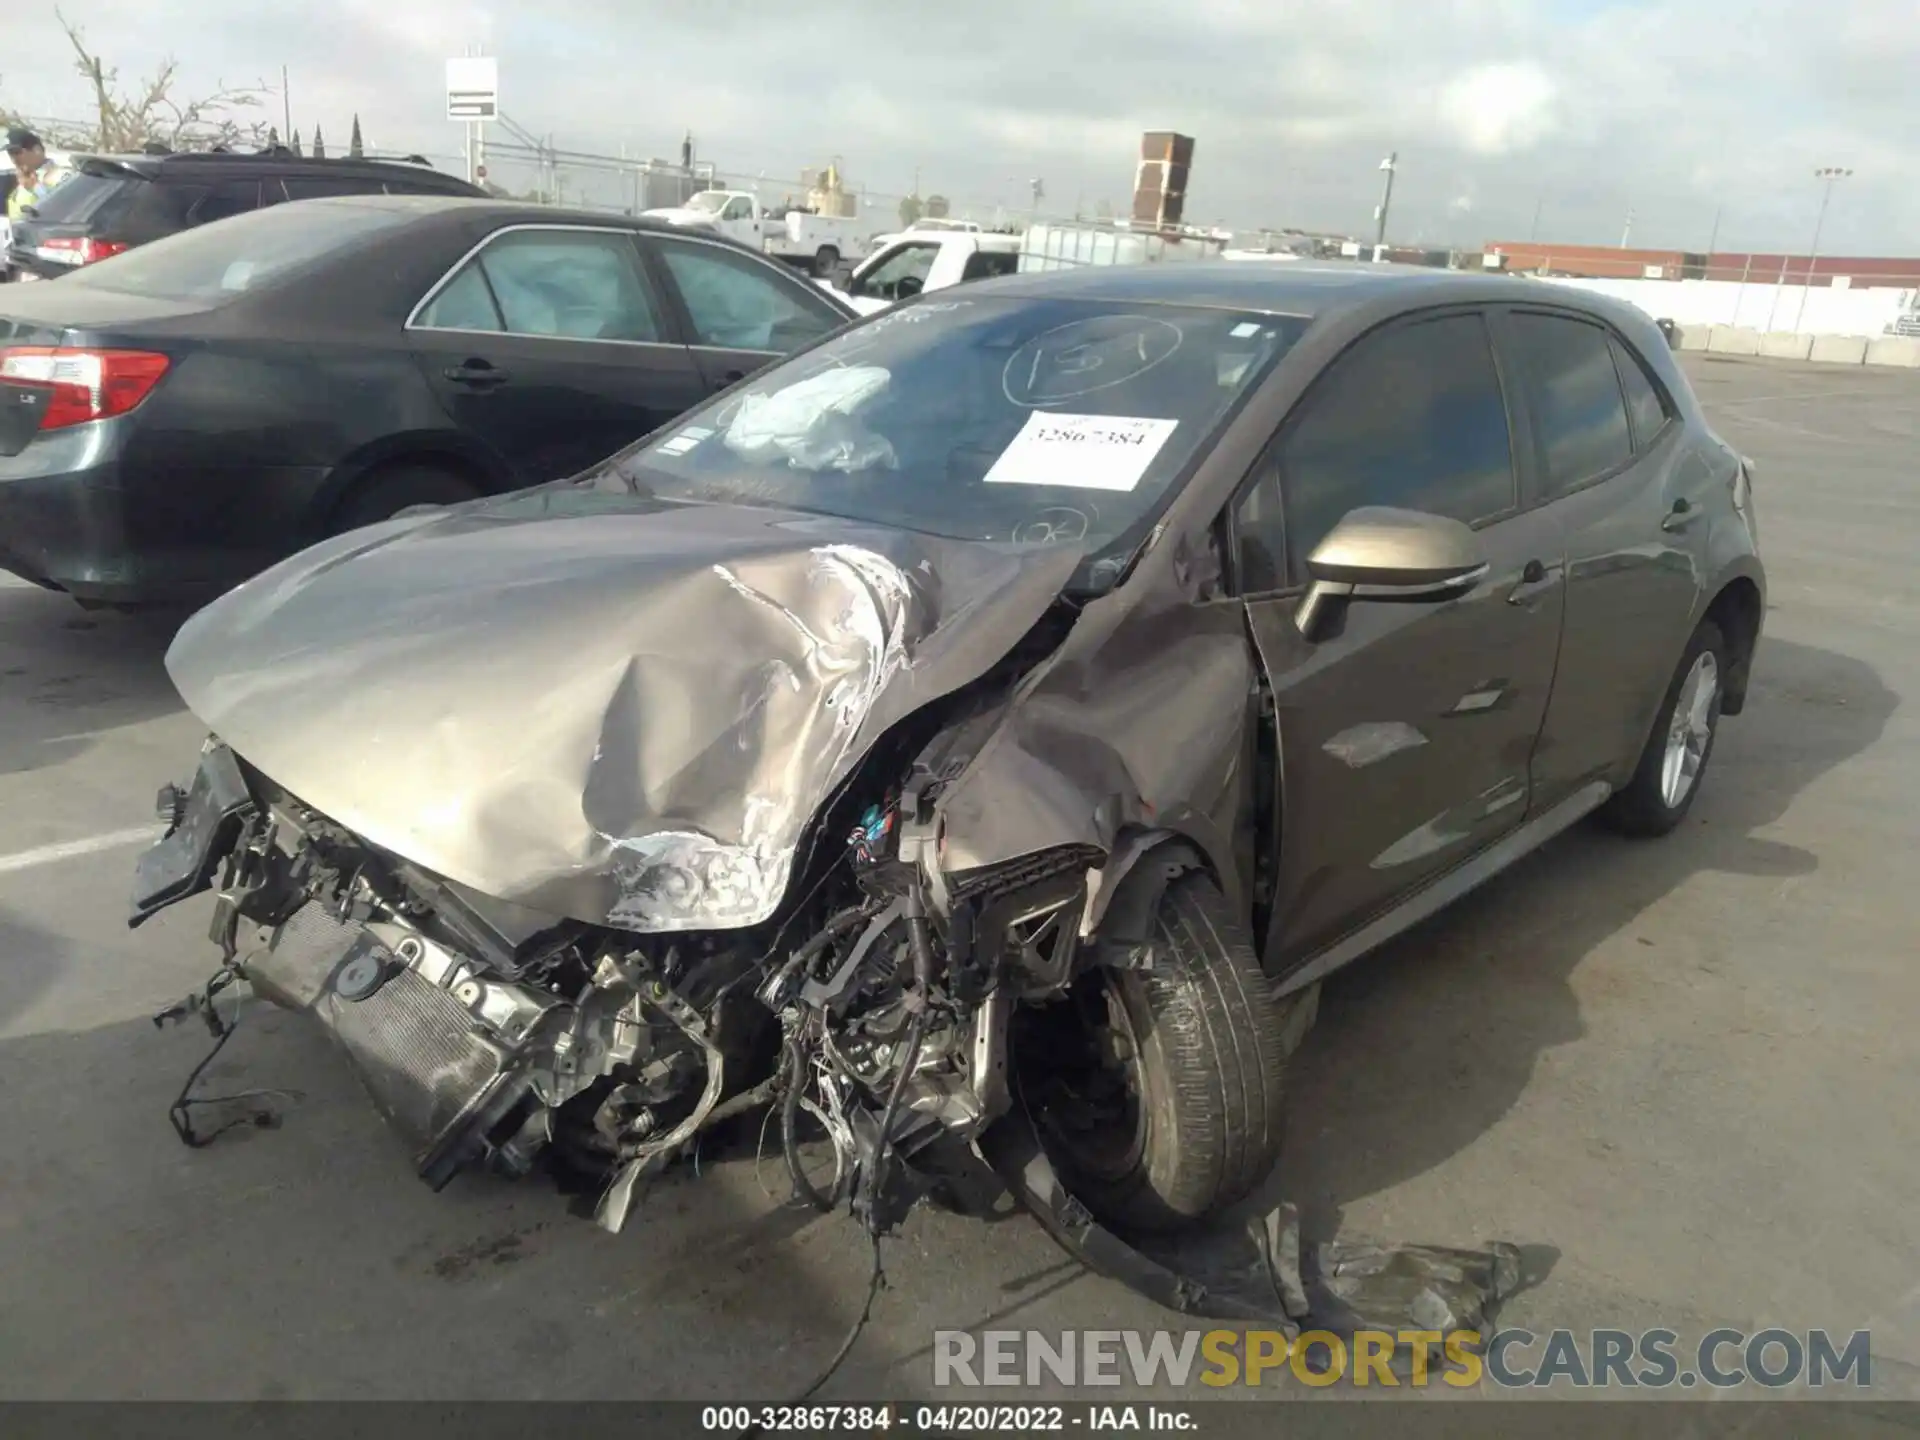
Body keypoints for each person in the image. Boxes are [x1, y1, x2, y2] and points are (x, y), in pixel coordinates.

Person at [6, 129, 70, 222]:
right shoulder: (22, 178)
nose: (14, 160)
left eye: (17, 152)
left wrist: (36, 188)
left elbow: (65, 211)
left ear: (37, 150)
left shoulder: (62, 176)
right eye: (10, 154)